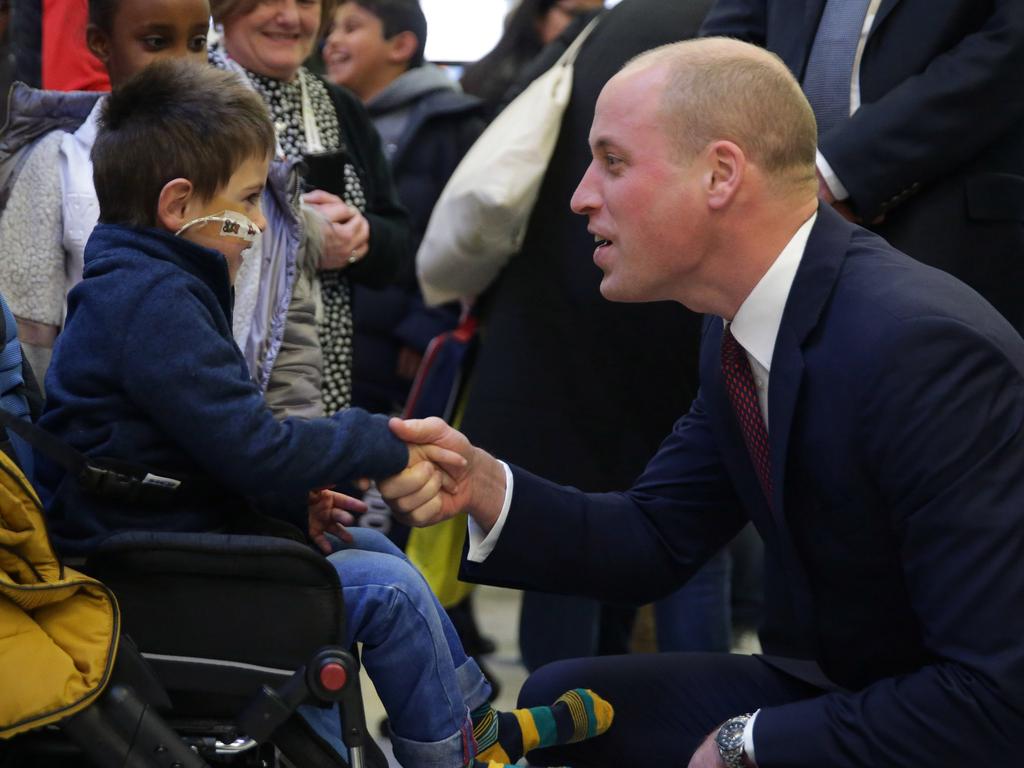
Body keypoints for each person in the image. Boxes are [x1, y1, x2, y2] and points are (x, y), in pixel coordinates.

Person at [379, 37, 1024, 767]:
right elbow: (655, 538)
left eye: (613, 162)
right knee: (563, 698)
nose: (581, 194)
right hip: (839, 682)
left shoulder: (919, 348)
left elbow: (997, 699)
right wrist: (488, 487)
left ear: (720, 174)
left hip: (946, 711)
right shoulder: (738, 324)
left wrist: (748, 744)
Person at [39, 59, 614, 768]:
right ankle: (455, 756)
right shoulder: (154, 302)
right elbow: (254, 447)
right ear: (179, 204)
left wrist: (286, 505)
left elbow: (199, 445)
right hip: (146, 569)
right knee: (391, 589)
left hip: (165, 536)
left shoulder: (151, 282)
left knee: (371, 551)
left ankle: (468, 721)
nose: (257, 223)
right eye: (249, 201)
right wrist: (382, 442)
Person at [451, 0, 725, 670]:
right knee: (690, 541)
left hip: (552, 335)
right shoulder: (723, 37)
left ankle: (571, 733)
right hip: (653, 328)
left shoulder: (600, 32)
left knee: (569, 551)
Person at [700, 0, 1024, 334]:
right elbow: (722, 55)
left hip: (941, 218)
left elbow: (1010, 46)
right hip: (764, 226)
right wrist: (761, 173)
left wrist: (832, 172)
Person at [209, 0, 412, 416]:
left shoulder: (342, 106)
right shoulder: (194, 96)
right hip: (217, 367)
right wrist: (306, 240)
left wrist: (362, 238)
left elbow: (398, 244)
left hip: (328, 376)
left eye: (306, 2)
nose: (290, 17)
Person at [0, 0, 211, 382]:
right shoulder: (59, 163)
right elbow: (24, 338)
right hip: (83, 430)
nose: (183, 63)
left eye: (198, 42)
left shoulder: (229, 163)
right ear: (100, 43)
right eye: (156, 42)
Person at [322, 0, 484, 414]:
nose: (332, 41)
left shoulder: (450, 123)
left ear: (401, 45)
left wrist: (425, 326)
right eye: (332, 28)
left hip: (395, 346)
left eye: (351, 28)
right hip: (333, 336)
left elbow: (465, 235)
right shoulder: (325, 115)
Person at [460, 0, 603, 121]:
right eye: (576, 15)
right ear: (539, 14)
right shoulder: (505, 81)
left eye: (599, 16)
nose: (589, 26)